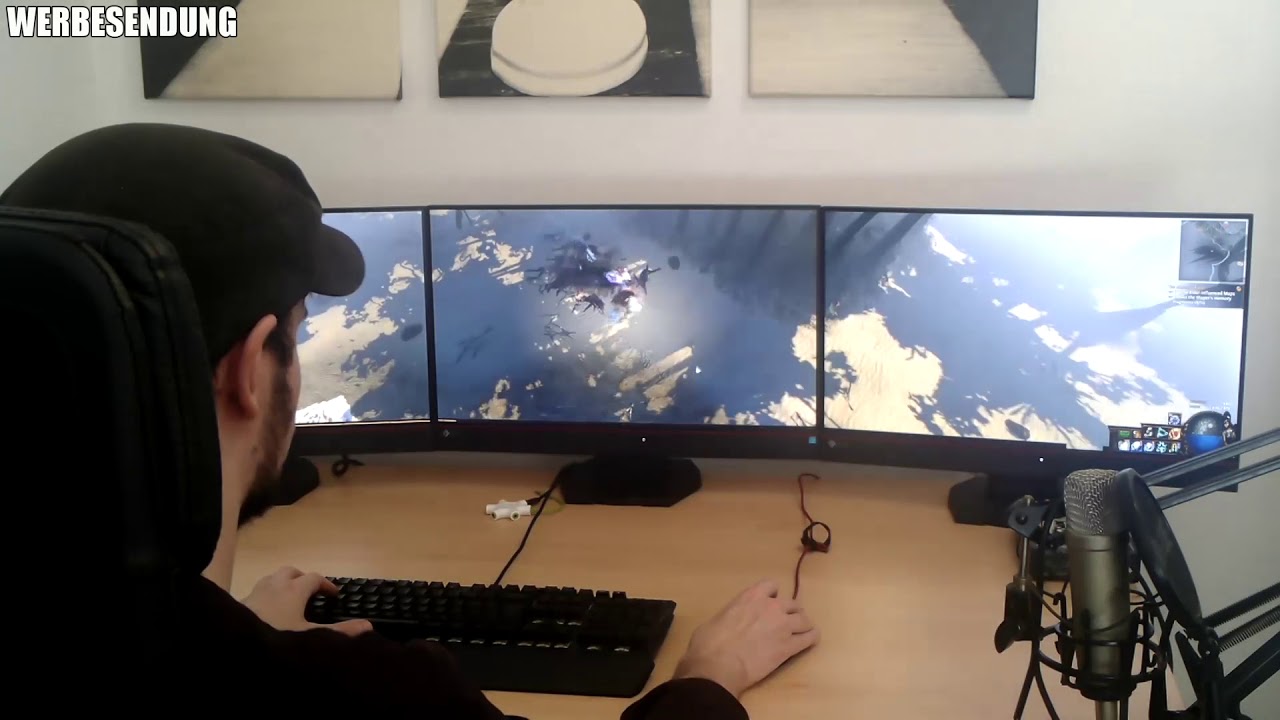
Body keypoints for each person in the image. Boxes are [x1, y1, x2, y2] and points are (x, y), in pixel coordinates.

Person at [0, 124, 819, 716]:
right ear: (251, 370)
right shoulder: (363, 695)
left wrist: (242, 628)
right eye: (298, 330)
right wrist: (708, 679)